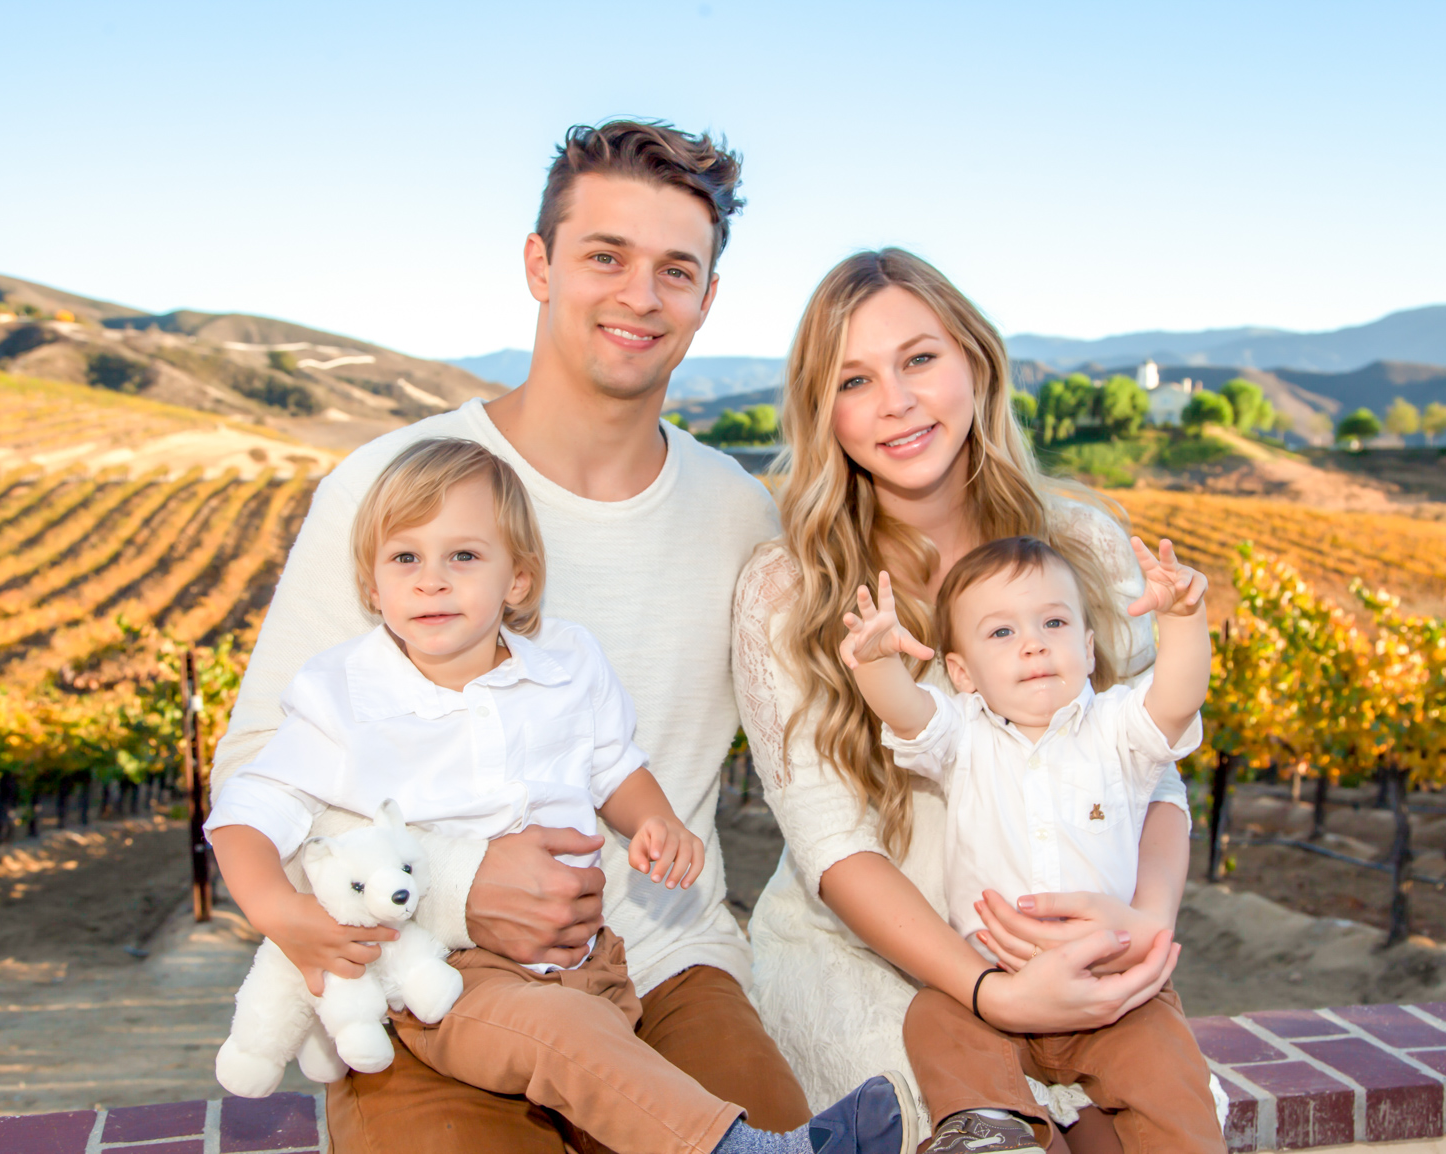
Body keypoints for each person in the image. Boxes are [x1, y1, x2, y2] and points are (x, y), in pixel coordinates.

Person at [215, 120, 813, 1152]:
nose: (640, 296)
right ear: (539, 265)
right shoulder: (393, 492)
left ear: (707, 298)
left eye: (676, 270)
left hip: (664, 964)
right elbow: (255, 773)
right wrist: (458, 887)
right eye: (605, 256)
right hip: (428, 983)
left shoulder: (737, 514)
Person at [208, 439, 913, 1154]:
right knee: (570, 1039)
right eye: (405, 558)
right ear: (370, 587)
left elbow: (615, 766)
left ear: (518, 579)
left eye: (463, 556)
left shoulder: (567, 665)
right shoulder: (343, 693)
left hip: (591, 962)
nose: (431, 582)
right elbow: (248, 809)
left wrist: (655, 820)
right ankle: (752, 1150)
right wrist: (278, 911)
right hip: (446, 978)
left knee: (608, 1069)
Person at [731, 249, 1199, 1151]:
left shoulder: (1083, 548)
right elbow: (831, 844)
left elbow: (1155, 775)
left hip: (1071, 947)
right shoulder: (788, 590)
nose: (896, 401)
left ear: (976, 364)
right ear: (822, 411)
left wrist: (1143, 922)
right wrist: (991, 993)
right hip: (878, 964)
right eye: (854, 380)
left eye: (919, 359)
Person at [839, 535, 1223, 1153]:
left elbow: (1177, 700)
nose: (1033, 643)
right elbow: (907, 712)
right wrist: (875, 664)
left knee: (1171, 1077)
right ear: (962, 673)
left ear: (1088, 649)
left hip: (1114, 988)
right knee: (934, 1017)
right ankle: (990, 1126)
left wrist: (1182, 618)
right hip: (997, 987)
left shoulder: (1117, 730)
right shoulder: (964, 736)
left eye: (1054, 622)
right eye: (1001, 632)